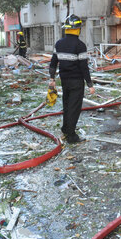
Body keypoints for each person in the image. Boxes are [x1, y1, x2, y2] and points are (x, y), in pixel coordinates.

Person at [49, 14, 95, 144]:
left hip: (64, 81)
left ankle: (65, 128)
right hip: (76, 82)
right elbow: (83, 67)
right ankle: (71, 135)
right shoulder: (80, 46)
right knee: (74, 108)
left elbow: (53, 63)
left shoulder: (59, 44)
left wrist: (52, 78)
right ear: (78, 29)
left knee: (67, 105)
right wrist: (90, 84)